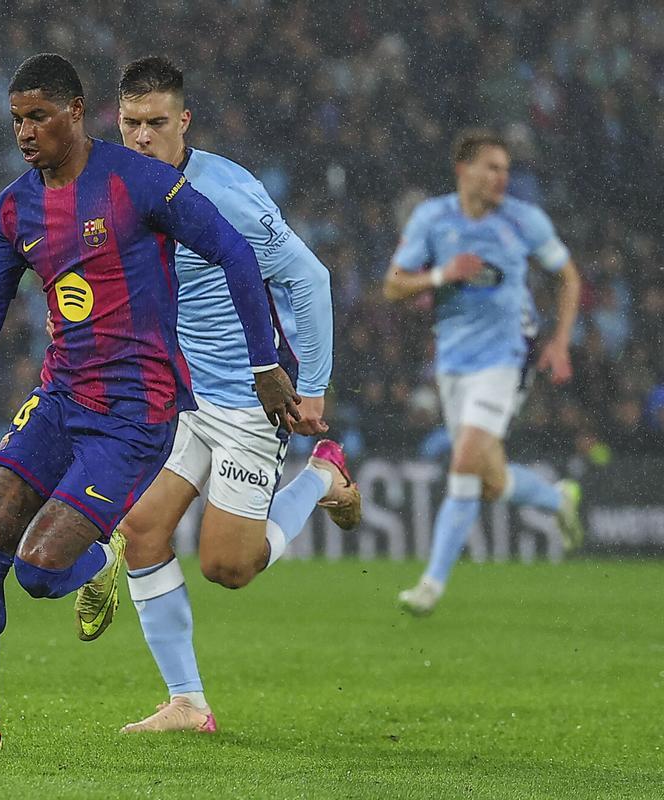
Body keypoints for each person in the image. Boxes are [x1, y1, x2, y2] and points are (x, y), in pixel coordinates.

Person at [0, 53, 300, 751]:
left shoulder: (138, 181)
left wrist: (264, 363)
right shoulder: (14, 208)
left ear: (76, 112)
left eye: (38, 116)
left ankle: (102, 560)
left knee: (38, 571)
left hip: (135, 414)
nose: (25, 132)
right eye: (16, 120)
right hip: (61, 398)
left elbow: (235, 254)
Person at [79, 56, 361, 734]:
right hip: (179, 396)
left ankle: (321, 478)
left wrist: (312, 388)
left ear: (184, 121)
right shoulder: (117, 189)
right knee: (141, 530)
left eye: (156, 123)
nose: (142, 137)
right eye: (130, 123)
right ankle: (187, 702)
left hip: (246, 400)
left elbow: (309, 278)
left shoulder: (227, 193)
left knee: (228, 567)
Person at [382, 128, 585, 617]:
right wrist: (441, 275)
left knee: (465, 461)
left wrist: (560, 341)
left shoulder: (523, 220)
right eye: (492, 167)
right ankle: (557, 499)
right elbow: (392, 286)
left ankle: (430, 586)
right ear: (464, 169)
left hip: (507, 357)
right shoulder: (433, 218)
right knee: (489, 481)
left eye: (505, 169)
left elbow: (568, 276)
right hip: (453, 363)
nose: (501, 177)